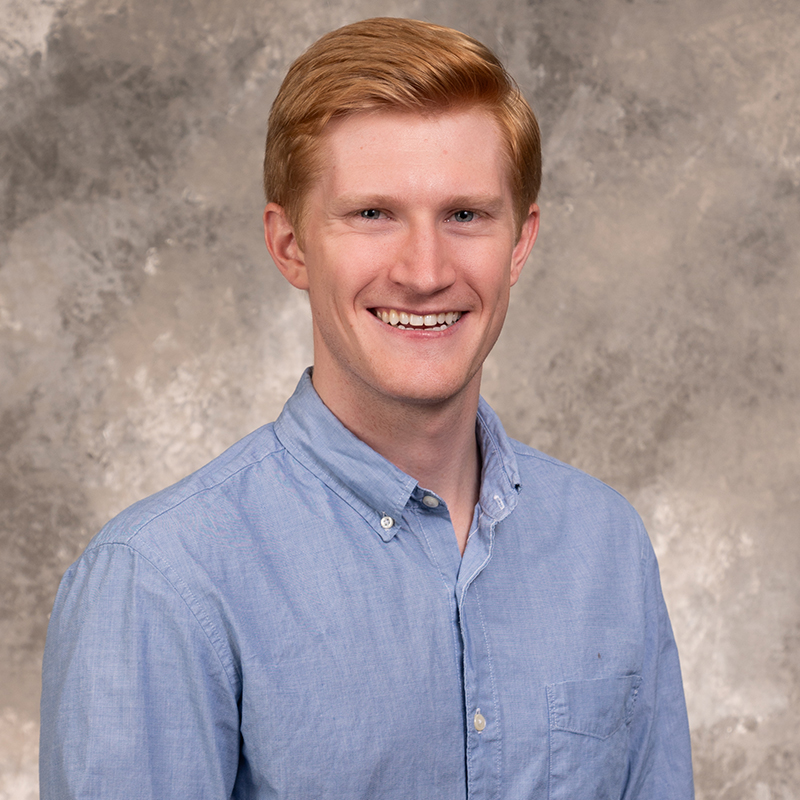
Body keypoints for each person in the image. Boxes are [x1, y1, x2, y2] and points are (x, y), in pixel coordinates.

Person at [40, 17, 694, 799]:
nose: (424, 271)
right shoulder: (159, 584)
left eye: (465, 215)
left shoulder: (607, 547)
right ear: (290, 246)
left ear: (519, 242)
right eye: (373, 214)